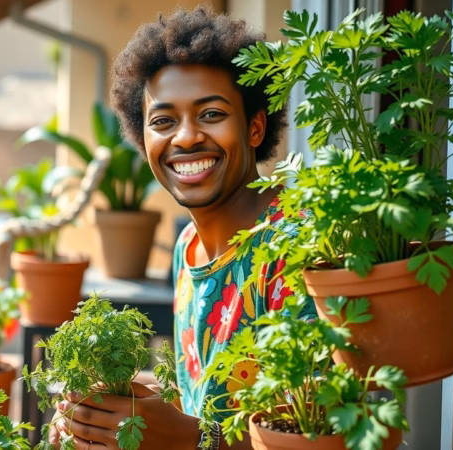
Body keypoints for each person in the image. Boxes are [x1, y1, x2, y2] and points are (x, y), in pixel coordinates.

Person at [48, 6, 316, 450]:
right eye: (163, 121)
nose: (186, 137)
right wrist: (109, 415)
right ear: (142, 138)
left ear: (254, 127)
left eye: (211, 114)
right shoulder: (188, 247)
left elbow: (320, 434)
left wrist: (192, 439)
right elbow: (204, 399)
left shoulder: (297, 243)